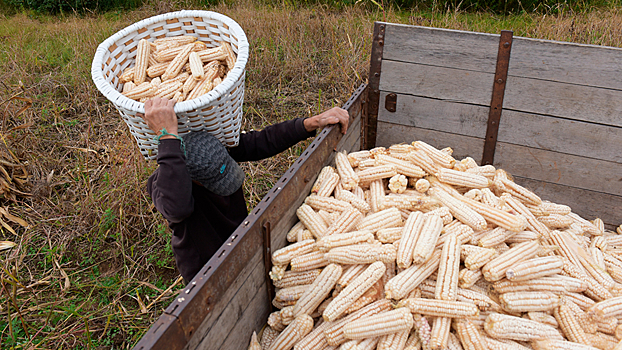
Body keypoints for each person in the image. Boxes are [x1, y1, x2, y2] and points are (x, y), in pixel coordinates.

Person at [142, 97, 349, 282]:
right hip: (207, 269)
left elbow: (261, 142)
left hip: (239, 238)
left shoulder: (210, 146)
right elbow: (176, 208)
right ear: (193, 181)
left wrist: (309, 124)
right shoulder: (167, 188)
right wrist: (167, 137)